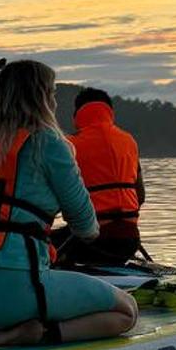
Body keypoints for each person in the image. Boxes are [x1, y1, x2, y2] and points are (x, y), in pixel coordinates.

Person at [0, 59, 138, 347]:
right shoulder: (49, 142)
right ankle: (37, 333)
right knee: (126, 310)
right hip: (13, 290)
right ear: (42, 98)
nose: (54, 101)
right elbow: (86, 226)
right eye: (51, 94)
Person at [52, 87, 145, 267]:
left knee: (39, 244)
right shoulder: (128, 141)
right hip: (129, 240)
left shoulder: (69, 145)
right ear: (110, 112)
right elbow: (140, 197)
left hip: (90, 243)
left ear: (77, 114)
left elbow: (53, 203)